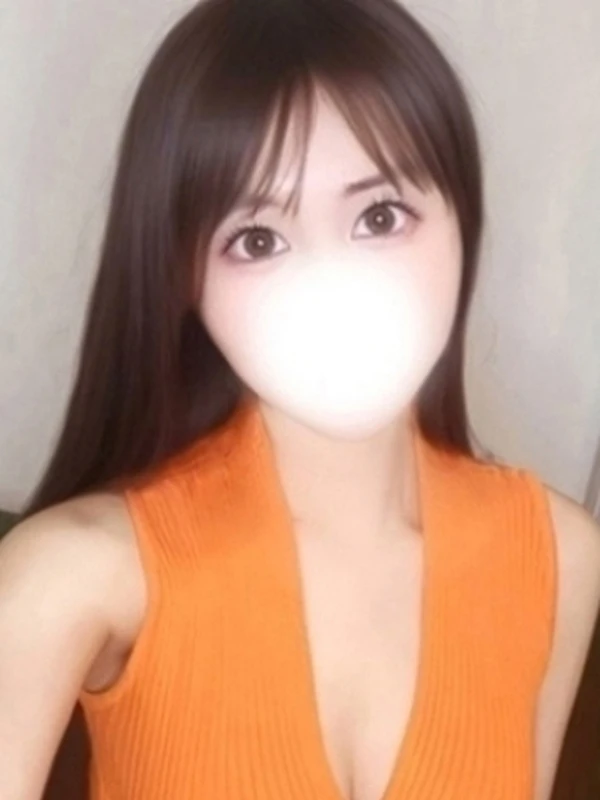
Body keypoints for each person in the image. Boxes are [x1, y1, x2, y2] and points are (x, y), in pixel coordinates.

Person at [1, 1, 599, 799]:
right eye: (257, 240)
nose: (333, 288)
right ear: (183, 279)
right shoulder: (68, 577)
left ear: (463, 220)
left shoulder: (561, 557)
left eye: (381, 216)